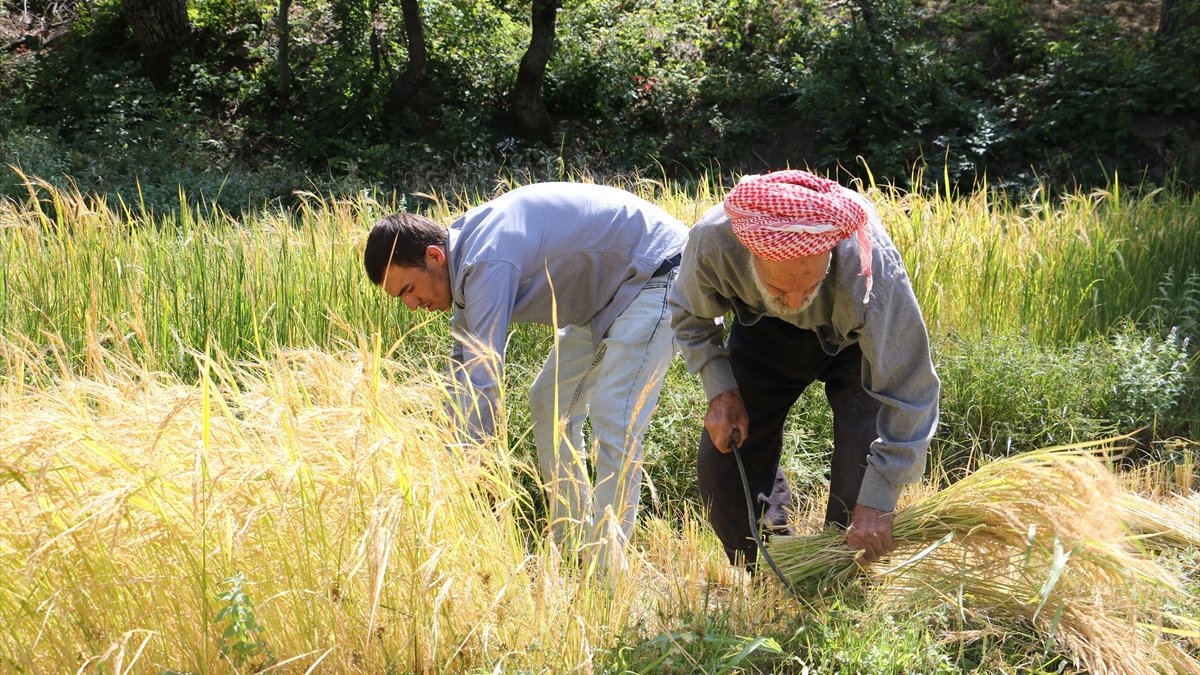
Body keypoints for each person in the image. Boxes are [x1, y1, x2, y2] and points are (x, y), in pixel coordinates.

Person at [363, 182, 688, 574]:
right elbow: (462, 370)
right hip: (611, 295)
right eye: (402, 299)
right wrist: (445, 453)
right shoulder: (465, 258)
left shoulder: (486, 259)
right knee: (549, 401)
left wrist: (472, 474)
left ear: (433, 256)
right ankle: (571, 548)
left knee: (614, 414)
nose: (412, 306)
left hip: (661, 271)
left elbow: (485, 376)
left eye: (409, 290)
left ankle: (606, 578)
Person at [668, 169, 939, 568]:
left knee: (857, 492)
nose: (796, 301)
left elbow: (910, 389)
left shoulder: (868, 266)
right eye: (781, 288)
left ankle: (836, 588)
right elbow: (691, 317)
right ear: (750, 255)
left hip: (853, 347)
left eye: (809, 285)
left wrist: (878, 501)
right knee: (724, 470)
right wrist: (720, 388)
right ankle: (775, 571)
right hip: (762, 331)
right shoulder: (715, 242)